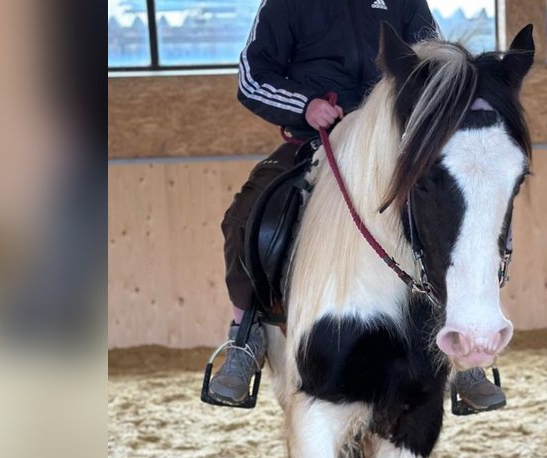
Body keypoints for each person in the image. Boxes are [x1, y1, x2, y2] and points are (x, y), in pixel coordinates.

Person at [208, 0, 507, 413]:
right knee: (246, 216)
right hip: (318, 139)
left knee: (448, 214)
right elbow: (253, 78)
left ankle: (459, 345)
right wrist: (306, 106)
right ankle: (245, 335)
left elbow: (437, 66)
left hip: (394, 146)